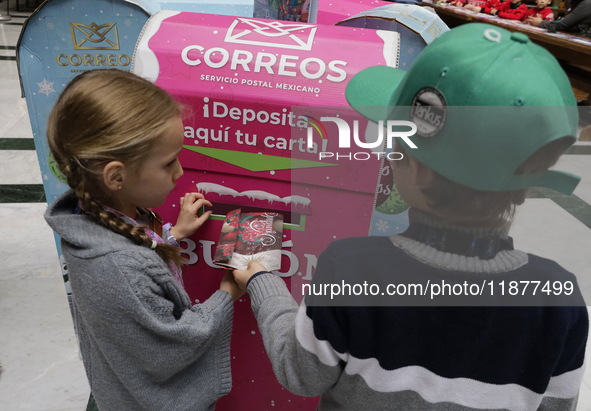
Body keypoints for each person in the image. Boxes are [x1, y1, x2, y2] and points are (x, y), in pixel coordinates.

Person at [232, 24, 588, 410]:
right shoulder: (559, 298)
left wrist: (261, 277)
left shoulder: (351, 271)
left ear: (415, 171)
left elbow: (300, 373)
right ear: (528, 181)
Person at [44, 69, 244, 411]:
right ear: (116, 176)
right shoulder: (119, 266)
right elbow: (176, 342)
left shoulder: (88, 216)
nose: (180, 172)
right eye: (168, 163)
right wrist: (228, 291)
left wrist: (172, 235)